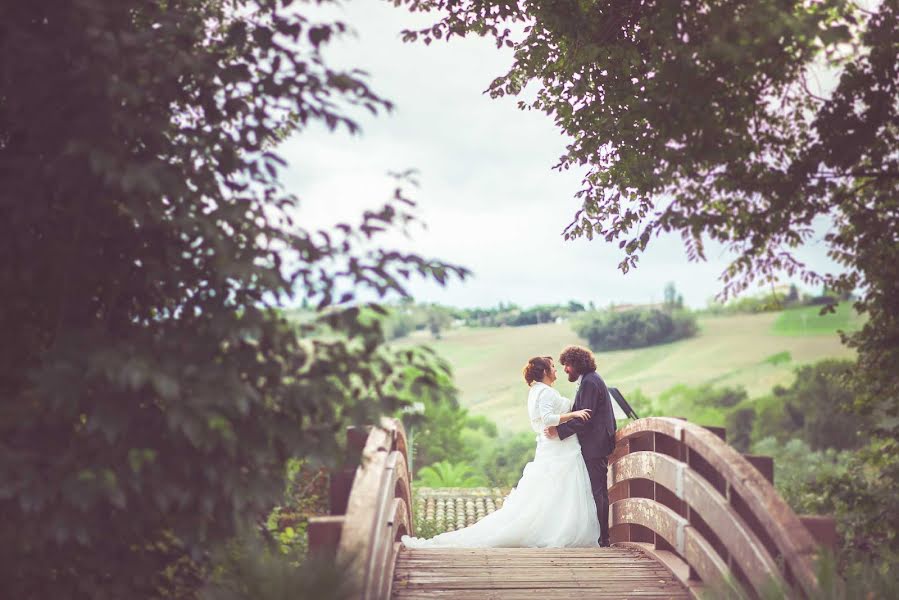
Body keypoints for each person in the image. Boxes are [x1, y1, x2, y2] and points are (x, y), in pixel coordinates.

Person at [400, 356, 600, 548]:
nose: (557, 370)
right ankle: (557, 530)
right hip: (559, 448)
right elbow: (547, 419)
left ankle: (554, 527)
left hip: (555, 446)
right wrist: (574, 413)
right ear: (546, 372)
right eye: (553, 367)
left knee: (555, 489)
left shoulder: (536, 391)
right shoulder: (545, 392)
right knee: (559, 488)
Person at [545, 345, 616, 546]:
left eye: (567, 365)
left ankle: (604, 538)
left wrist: (558, 432)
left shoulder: (590, 382)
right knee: (596, 489)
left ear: (576, 363)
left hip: (596, 445)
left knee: (598, 490)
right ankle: (600, 536)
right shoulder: (589, 380)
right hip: (596, 443)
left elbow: (585, 417)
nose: (565, 369)